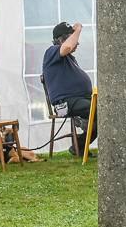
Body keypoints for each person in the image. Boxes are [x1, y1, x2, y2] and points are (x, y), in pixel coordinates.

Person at [40, 22, 93, 160]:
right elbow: (67, 46)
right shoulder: (51, 52)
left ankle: (81, 141)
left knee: (104, 108)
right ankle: (79, 146)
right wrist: (78, 30)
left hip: (78, 100)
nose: (78, 43)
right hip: (64, 104)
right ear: (62, 40)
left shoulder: (68, 58)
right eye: (73, 37)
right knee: (97, 110)